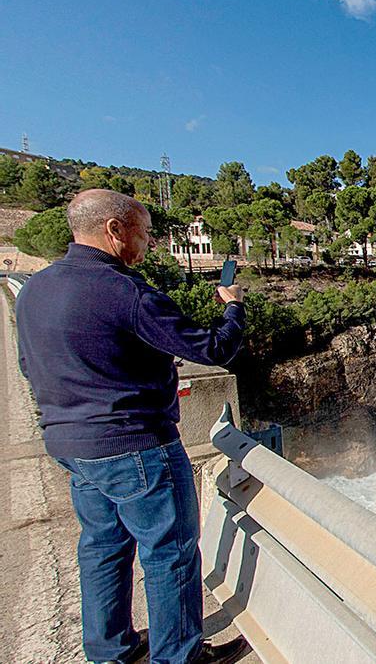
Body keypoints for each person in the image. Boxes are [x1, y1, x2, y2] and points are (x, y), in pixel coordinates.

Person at [15, 190, 250, 664]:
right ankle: (178, 657)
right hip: (136, 445)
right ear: (115, 230)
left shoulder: (36, 290)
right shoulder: (126, 291)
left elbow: (27, 364)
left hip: (70, 444)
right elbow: (213, 351)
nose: (148, 244)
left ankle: (110, 650)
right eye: (143, 232)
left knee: (102, 548)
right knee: (171, 554)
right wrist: (233, 308)